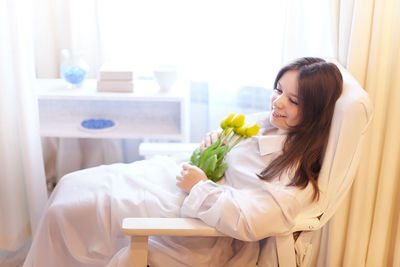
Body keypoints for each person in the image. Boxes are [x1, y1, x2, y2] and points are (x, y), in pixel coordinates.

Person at [24, 57, 343, 267]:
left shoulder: (295, 175)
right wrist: (216, 144)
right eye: (278, 90)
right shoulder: (273, 125)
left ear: (316, 111)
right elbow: (231, 135)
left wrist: (202, 187)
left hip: (199, 216)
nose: (277, 102)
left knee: (71, 209)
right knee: (72, 183)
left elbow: (252, 220)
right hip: (179, 184)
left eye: (293, 100)